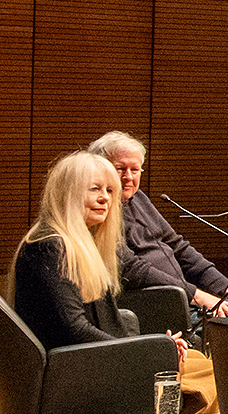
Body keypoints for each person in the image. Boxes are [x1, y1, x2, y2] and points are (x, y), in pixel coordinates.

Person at [90, 132, 228, 322]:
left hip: (181, 298)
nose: (128, 177)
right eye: (120, 169)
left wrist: (226, 289)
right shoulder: (98, 211)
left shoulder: (138, 198)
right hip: (150, 304)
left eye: (135, 170)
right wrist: (197, 296)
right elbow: (132, 269)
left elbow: (179, 247)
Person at [12, 149, 144, 350]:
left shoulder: (80, 241)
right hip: (71, 371)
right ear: (67, 194)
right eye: (94, 189)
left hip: (85, 361)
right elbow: (74, 330)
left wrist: (155, 349)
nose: (105, 198)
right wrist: (144, 352)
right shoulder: (50, 247)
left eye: (109, 190)